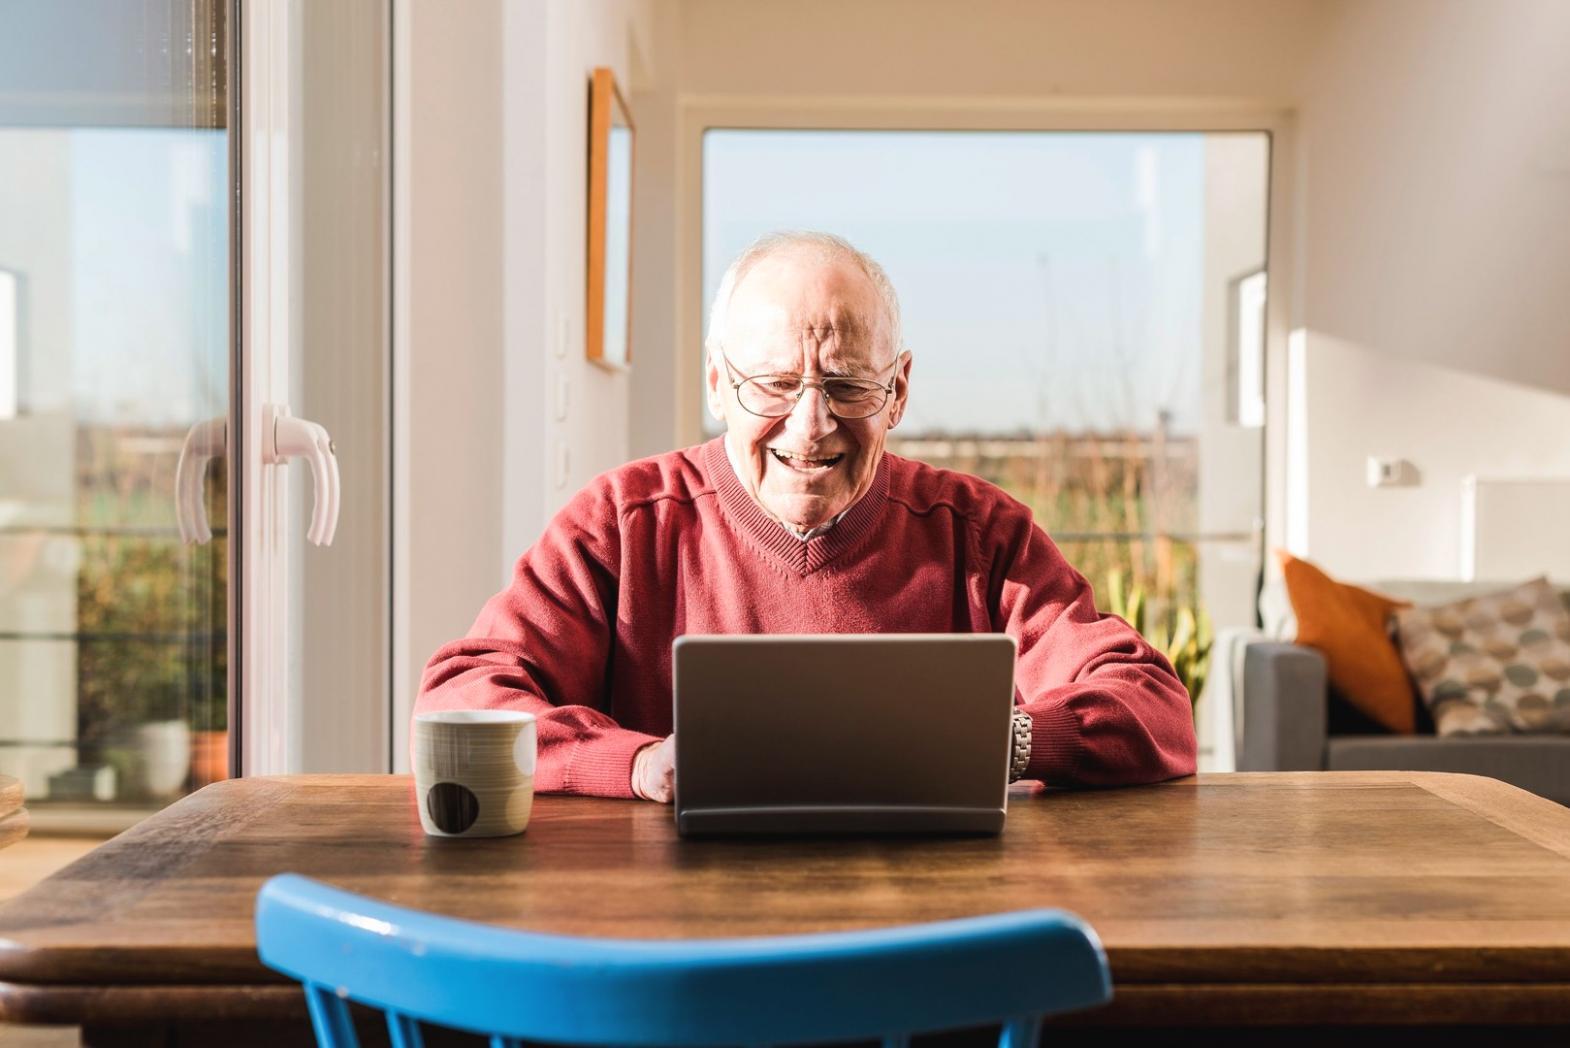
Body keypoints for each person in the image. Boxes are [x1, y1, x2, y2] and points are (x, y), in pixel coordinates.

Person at [416, 231, 1196, 802]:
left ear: (899, 390)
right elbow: (463, 692)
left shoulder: (978, 533)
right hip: (670, 941)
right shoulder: (622, 523)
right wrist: (637, 761)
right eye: (774, 385)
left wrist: (1011, 741)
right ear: (719, 385)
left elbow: (1154, 705)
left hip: (932, 937)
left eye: (849, 386)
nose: (811, 424)